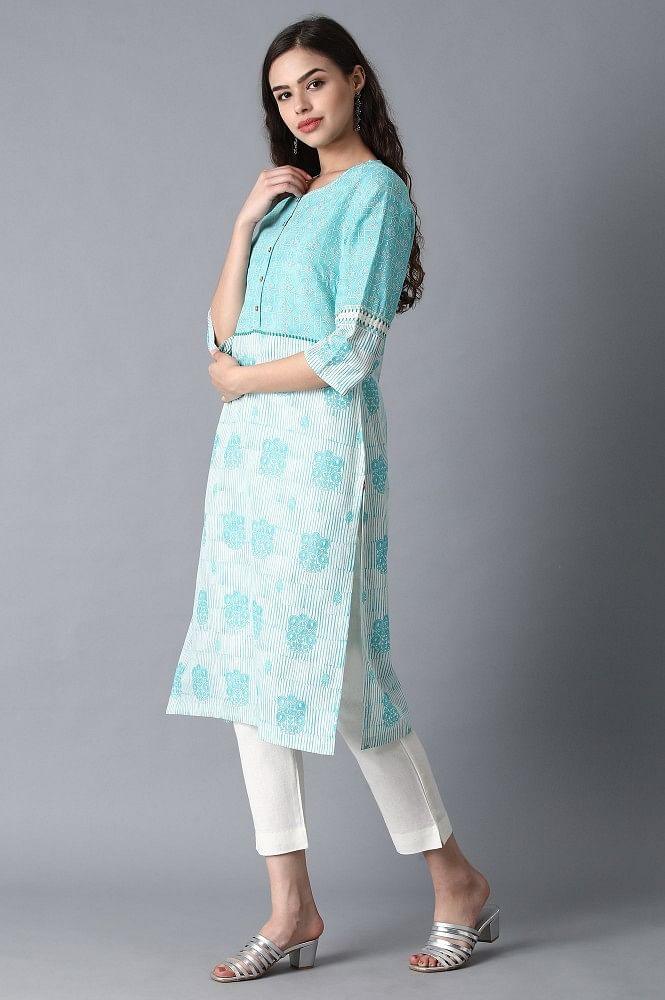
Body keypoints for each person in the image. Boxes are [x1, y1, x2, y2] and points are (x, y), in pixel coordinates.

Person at [166, 15, 500, 981]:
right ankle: (291, 907)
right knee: (252, 675)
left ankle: (458, 884)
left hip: (319, 451)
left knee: (346, 676)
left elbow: (351, 351)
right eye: (283, 95)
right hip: (248, 460)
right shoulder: (284, 201)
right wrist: (241, 226)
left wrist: (240, 382)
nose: (300, 106)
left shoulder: (376, 195)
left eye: (314, 82)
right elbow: (221, 332)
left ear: (355, 81)